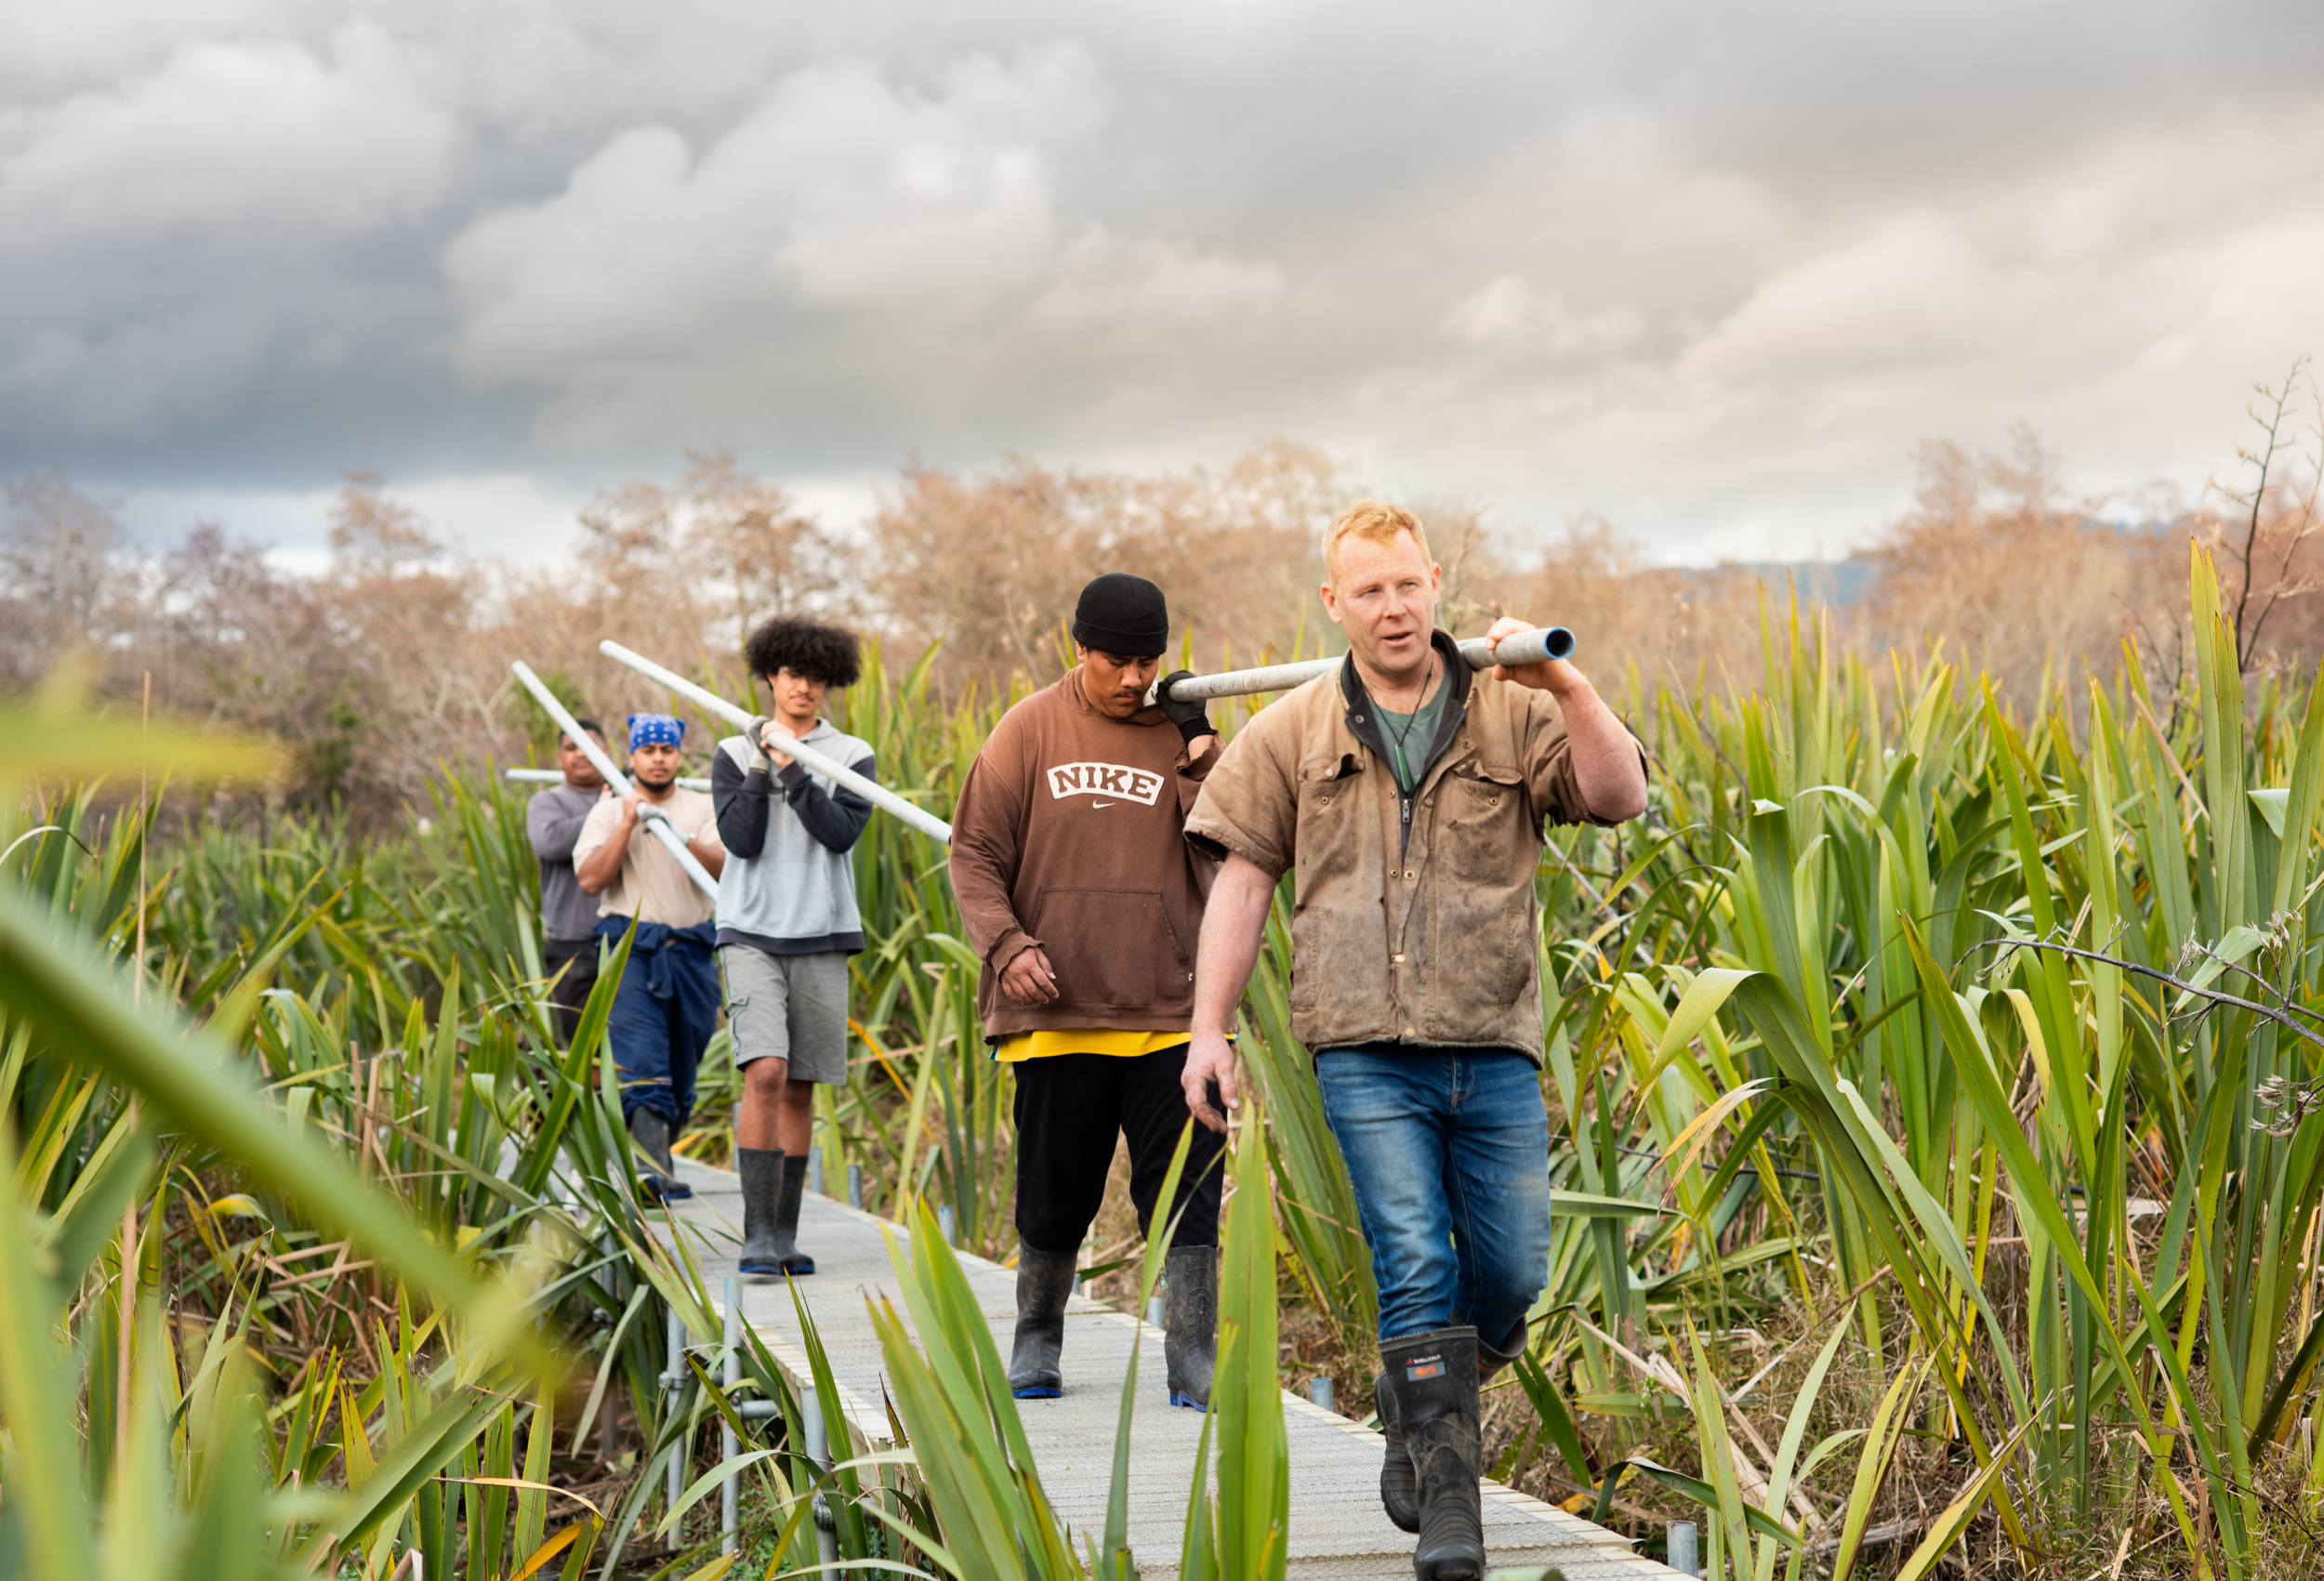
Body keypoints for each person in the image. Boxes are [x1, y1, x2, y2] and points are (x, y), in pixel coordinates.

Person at [1181, 500, 1646, 1581]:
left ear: (1436, 584)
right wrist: (1208, 1029)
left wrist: (1566, 682)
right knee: (1412, 1258)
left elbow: (1618, 795)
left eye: (1407, 585)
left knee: (1513, 1274)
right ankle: (1451, 1509)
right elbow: (1243, 879)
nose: (1391, 609)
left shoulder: (1511, 712)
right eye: (1368, 591)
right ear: (1333, 602)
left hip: (1491, 1040)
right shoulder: (1291, 727)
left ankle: (1411, 1390)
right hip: (1362, 1047)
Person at [949, 573, 1228, 1409]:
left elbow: (1236, 855)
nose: (1134, 677)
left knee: (1187, 1191)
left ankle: (1193, 1357)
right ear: (1079, 649)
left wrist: (1205, 757)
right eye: (1116, 660)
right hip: (1054, 1010)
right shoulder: (1028, 728)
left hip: (1170, 1014)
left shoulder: (1186, 730)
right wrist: (1005, 946)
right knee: (1053, 1189)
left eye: (1148, 660)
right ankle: (1036, 1338)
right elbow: (973, 855)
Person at [711, 615, 877, 1277]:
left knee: (802, 1087)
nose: (801, 686)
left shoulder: (851, 754)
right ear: (771, 677)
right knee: (766, 1072)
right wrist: (763, 759)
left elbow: (838, 832)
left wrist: (797, 769)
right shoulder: (730, 749)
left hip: (823, 931)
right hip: (750, 930)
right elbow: (741, 839)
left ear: (827, 683)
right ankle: (755, 1234)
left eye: (814, 677)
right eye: (789, 674)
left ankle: (784, 1233)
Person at [574, 713, 728, 1202]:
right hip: (630, 951)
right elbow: (590, 880)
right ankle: (652, 1172)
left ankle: (655, 1153)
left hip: (690, 951)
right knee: (641, 1059)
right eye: (648, 751)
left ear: (679, 755)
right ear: (632, 756)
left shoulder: (703, 806)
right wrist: (627, 822)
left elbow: (728, 869)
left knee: (685, 1060)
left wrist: (672, 832)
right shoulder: (608, 810)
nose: (658, 759)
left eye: (667, 750)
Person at [527, 719, 611, 1045]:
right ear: (559, 758)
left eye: (588, 745)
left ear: (606, 750)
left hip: (632, 940)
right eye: (571, 747)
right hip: (575, 944)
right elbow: (552, 843)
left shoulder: (630, 796)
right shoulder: (548, 802)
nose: (580, 754)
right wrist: (604, 812)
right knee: (584, 1047)